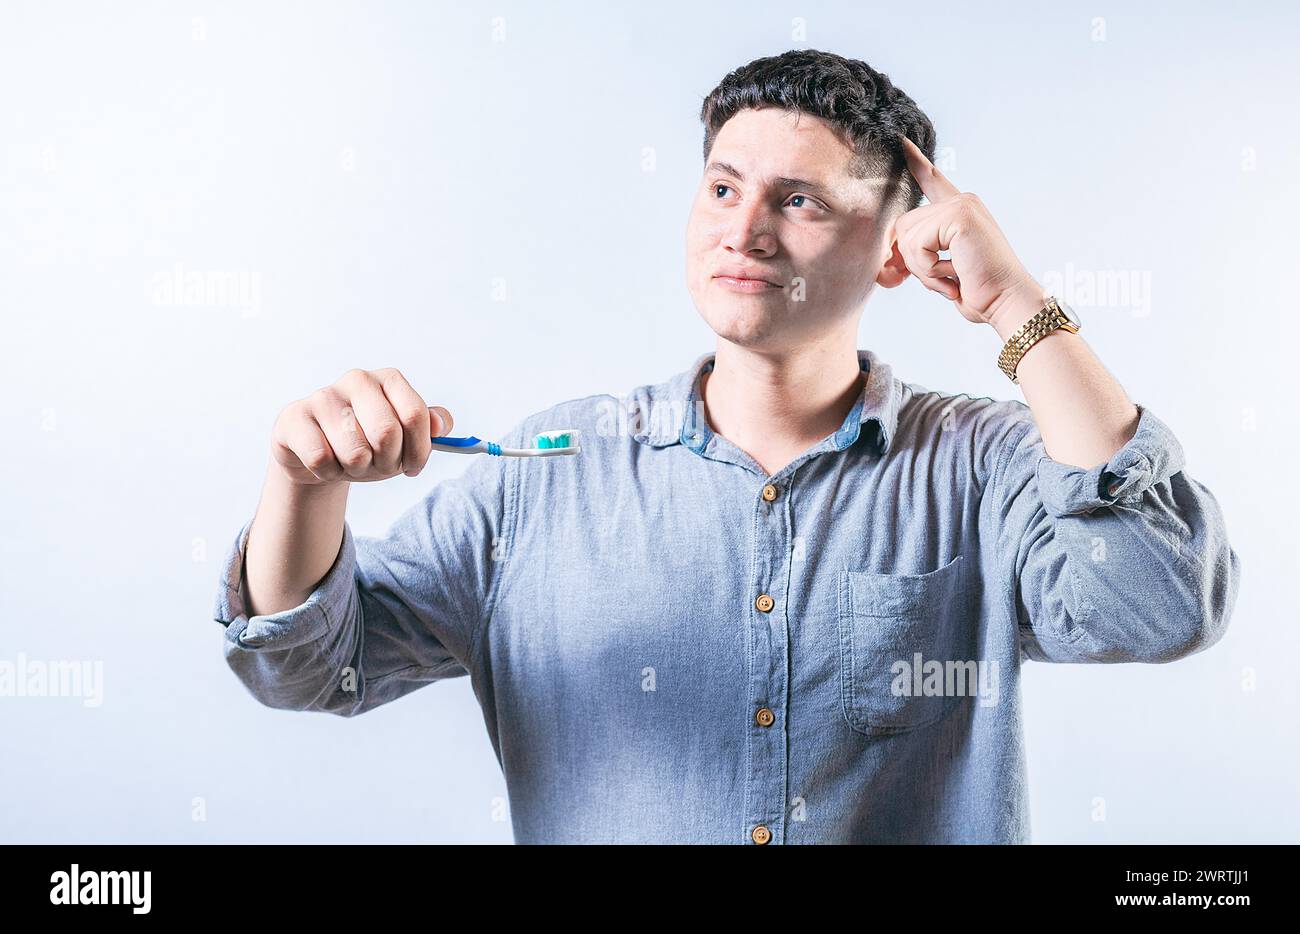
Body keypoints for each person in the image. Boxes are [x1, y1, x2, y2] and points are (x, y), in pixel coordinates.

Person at [211, 49, 1241, 844]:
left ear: (895, 249)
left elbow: (1157, 606)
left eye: (799, 200)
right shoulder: (546, 474)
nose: (743, 231)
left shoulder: (982, 465)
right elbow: (310, 670)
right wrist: (302, 485)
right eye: (720, 188)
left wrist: (1015, 301)